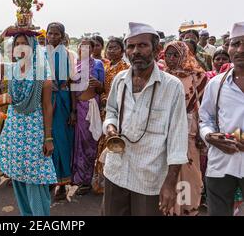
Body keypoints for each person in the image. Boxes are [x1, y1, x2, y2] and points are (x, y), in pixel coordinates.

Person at [103, 22, 189, 216]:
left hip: (149, 178)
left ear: (156, 49)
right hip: (115, 171)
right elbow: (111, 111)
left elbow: (177, 137)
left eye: (142, 45)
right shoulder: (120, 79)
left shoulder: (172, 86)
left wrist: (170, 183)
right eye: (131, 46)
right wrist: (110, 127)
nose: (136, 51)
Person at [0, 27, 57, 216]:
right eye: (17, 44)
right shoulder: (11, 69)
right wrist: (2, 36)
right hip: (13, 131)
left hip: (34, 132)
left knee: (36, 181)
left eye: (25, 44)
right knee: (19, 180)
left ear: (33, 48)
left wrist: (48, 138)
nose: (21, 48)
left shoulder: (42, 75)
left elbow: (47, 107)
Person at [199, 22, 244, 216]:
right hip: (221, 163)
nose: (240, 49)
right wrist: (209, 136)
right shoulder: (216, 83)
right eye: (235, 43)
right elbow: (205, 119)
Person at [164, 41, 208, 216]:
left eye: (175, 55)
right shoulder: (162, 75)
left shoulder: (198, 76)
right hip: (167, 130)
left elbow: (204, 107)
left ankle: (187, 209)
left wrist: (201, 133)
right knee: (168, 170)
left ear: (184, 55)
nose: (171, 59)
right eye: (168, 55)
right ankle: (170, 208)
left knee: (189, 172)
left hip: (189, 131)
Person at [92, 37, 129, 194]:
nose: (111, 50)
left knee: (112, 143)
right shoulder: (106, 65)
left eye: (115, 48)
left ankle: (114, 182)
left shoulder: (124, 67)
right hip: (102, 109)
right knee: (101, 144)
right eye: (109, 48)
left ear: (122, 50)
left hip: (116, 110)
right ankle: (101, 180)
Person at [45, 22, 77, 201]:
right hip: (45, 101)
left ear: (63, 36)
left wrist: (72, 110)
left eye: (57, 34)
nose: (53, 37)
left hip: (63, 101)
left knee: (62, 142)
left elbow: (72, 84)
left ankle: (63, 185)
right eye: (50, 33)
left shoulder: (68, 55)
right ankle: (50, 179)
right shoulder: (41, 54)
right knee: (46, 140)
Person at [72, 37, 105, 195]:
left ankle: (88, 178)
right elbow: (72, 90)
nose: (84, 50)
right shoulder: (74, 65)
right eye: (81, 47)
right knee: (79, 145)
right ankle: (81, 179)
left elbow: (102, 88)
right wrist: (72, 110)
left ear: (93, 50)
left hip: (92, 107)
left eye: (87, 47)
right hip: (79, 108)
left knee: (90, 144)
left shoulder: (98, 64)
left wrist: (98, 84)